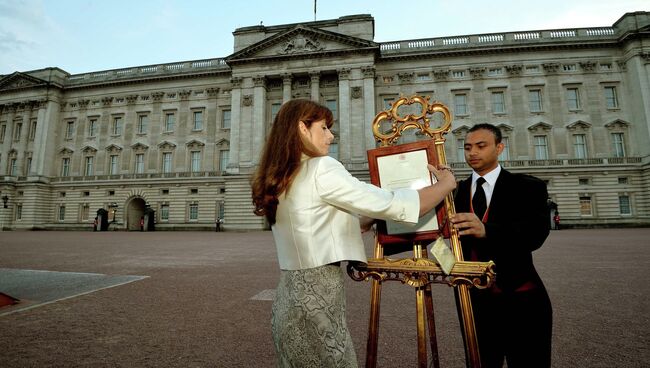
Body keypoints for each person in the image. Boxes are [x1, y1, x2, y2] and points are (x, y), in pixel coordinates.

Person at [251, 99, 456, 367]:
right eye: (324, 128)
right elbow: (398, 204)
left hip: (289, 300)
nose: (330, 135)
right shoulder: (322, 167)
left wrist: (367, 219)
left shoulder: (283, 175)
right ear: (302, 128)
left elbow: (318, 224)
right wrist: (446, 185)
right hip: (318, 302)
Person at [450, 123, 552, 368]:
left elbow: (535, 234)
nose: (472, 152)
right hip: (474, 301)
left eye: (481, 146)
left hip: (522, 299)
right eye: (467, 147)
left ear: (500, 148)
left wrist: (487, 231)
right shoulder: (454, 192)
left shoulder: (529, 187)